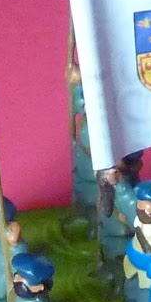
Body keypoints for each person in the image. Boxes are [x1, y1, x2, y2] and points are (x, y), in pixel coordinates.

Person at [95, 150, 144, 293]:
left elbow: (131, 212)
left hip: (120, 232)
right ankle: (107, 270)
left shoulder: (127, 188)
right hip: (109, 226)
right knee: (107, 248)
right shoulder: (110, 182)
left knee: (118, 257)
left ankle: (119, 285)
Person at [67, 64, 97, 233]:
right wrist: (76, 82)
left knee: (94, 198)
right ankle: (78, 216)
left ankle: (94, 227)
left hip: (95, 168)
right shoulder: (85, 115)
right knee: (81, 190)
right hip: (82, 161)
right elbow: (78, 103)